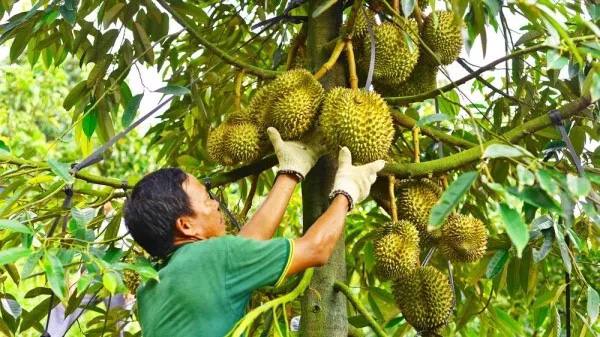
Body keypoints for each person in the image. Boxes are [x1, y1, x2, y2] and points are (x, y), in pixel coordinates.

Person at [123, 127, 385, 337]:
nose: (216, 204)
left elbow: (244, 249)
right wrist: (347, 192)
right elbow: (316, 249)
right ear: (185, 225)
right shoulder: (215, 258)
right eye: (206, 198)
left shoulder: (151, 288)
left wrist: (290, 172)